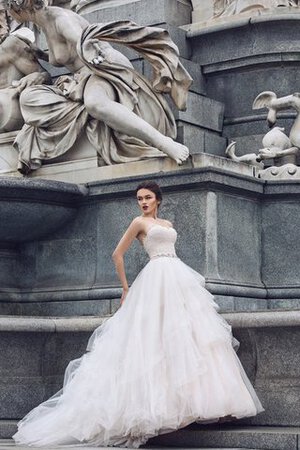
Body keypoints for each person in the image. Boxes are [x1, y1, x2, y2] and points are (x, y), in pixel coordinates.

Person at [13, 180, 264, 448]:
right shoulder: (138, 223)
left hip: (177, 277)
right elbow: (117, 254)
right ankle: (161, 410)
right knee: (153, 338)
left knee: (188, 335)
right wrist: (125, 288)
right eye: (139, 199)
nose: (143, 202)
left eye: (147, 197)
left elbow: (170, 252)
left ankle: (203, 405)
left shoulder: (166, 224)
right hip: (155, 278)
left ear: (157, 199)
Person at [6, 0, 191, 173]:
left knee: (95, 103)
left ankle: (164, 143)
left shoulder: (61, 18)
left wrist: (91, 53)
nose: (7, 13)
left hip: (103, 67)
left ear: (17, 7)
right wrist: (43, 55)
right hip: (81, 77)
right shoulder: (43, 24)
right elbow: (66, 55)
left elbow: (84, 41)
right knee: (29, 98)